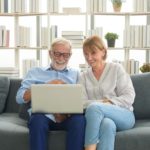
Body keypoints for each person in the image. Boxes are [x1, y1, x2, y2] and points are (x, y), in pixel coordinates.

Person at [16, 38, 85, 150]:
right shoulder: (35, 72)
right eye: (57, 54)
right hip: (43, 116)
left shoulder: (76, 74)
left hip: (67, 117)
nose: (61, 58)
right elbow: (19, 97)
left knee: (80, 120)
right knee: (37, 120)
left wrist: (65, 113)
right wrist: (47, 86)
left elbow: (82, 100)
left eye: (65, 55)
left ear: (70, 55)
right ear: (50, 53)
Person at [78, 35, 135, 150]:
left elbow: (129, 96)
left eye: (93, 53)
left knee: (94, 107)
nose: (89, 58)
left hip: (124, 115)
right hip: (102, 120)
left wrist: (108, 103)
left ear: (103, 52)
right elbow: (81, 103)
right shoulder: (83, 76)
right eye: (86, 54)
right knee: (107, 125)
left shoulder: (116, 69)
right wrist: (102, 103)